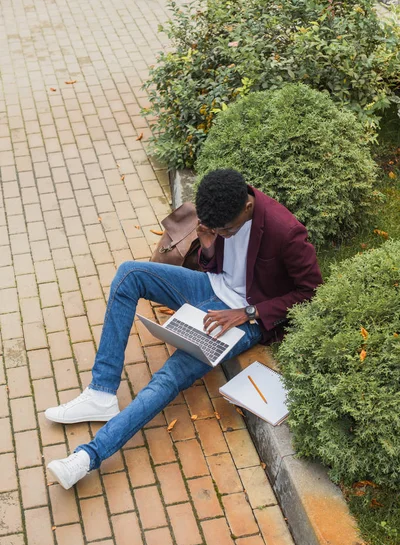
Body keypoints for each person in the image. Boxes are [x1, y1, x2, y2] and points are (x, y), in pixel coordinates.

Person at [46, 169, 322, 489]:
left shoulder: (285, 231)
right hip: (208, 288)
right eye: (216, 229)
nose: (223, 234)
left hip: (243, 318)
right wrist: (208, 247)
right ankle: (101, 392)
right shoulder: (224, 209)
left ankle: (88, 456)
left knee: (169, 377)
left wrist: (247, 312)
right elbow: (222, 267)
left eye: (226, 230)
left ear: (247, 208)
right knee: (129, 274)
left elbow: (311, 292)